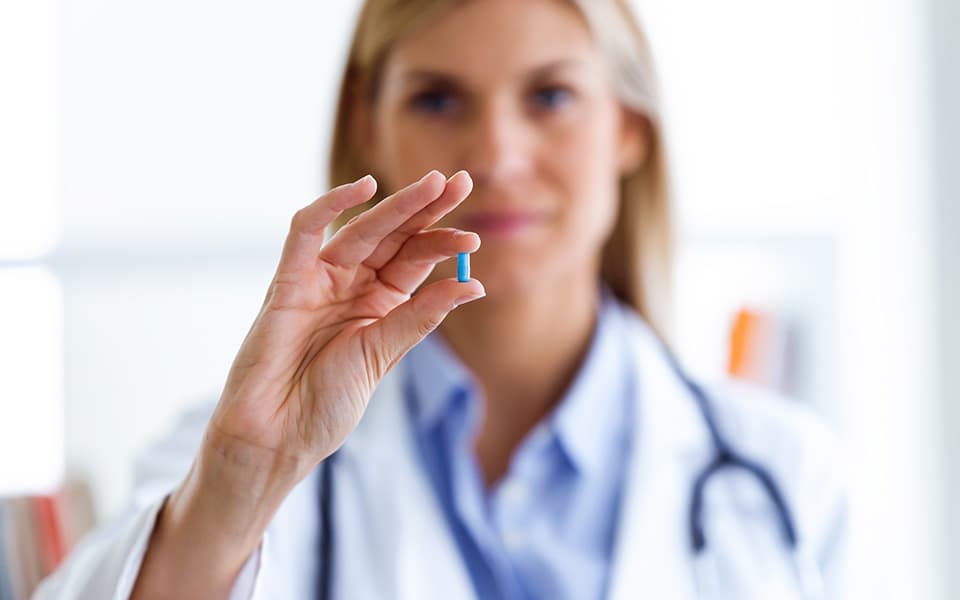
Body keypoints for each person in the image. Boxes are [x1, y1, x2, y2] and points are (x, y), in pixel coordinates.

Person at [36, 0, 847, 598]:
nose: (496, 153)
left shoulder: (781, 476)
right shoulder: (223, 465)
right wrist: (244, 478)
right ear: (369, 125)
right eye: (437, 99)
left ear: (629, 128)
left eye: (551, 97)